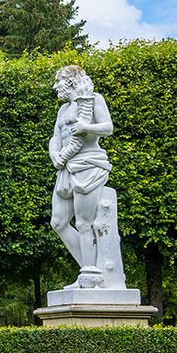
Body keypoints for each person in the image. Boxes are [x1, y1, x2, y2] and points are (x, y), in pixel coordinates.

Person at [48, 65, 118, 285]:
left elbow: (108, 128)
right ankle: (91, 270)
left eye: (58, 81)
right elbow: (56, 137)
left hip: (88, 164)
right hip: (66, 167)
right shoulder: (62, 110)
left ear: (70, 81)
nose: (55, 86)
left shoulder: (93, 99)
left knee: (84, 224)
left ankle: (89, 276)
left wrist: (87, 127)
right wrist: (54, 155)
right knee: (58, 222)